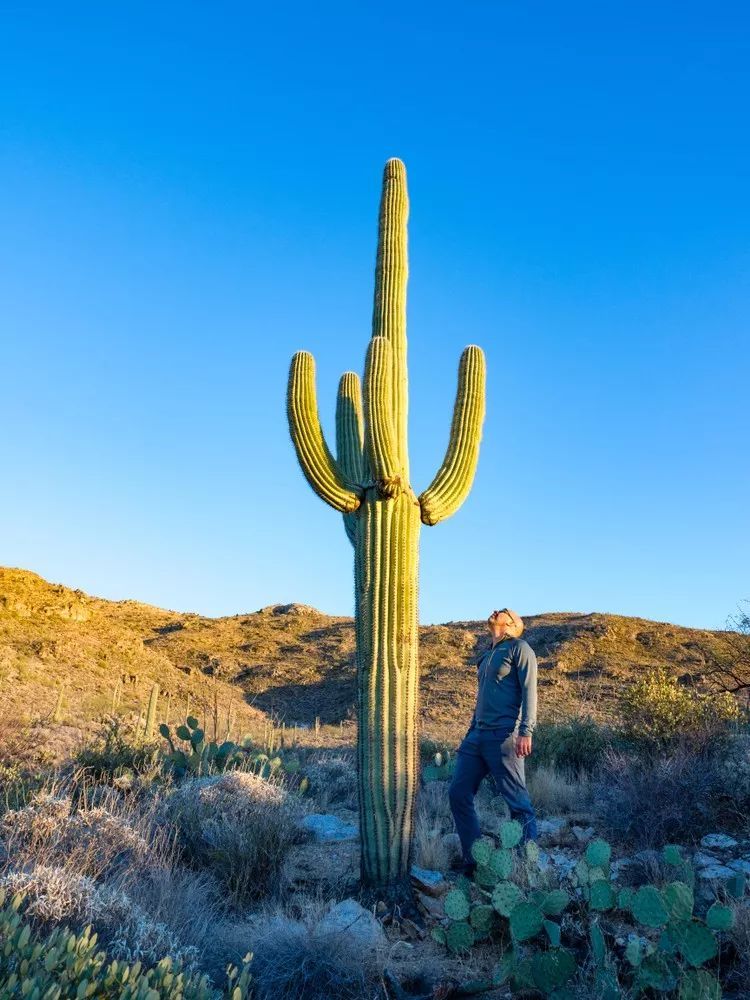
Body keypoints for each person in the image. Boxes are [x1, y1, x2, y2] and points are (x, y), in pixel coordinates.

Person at [448, 607, 538, 874]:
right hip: (477, 736)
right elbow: (481, 700)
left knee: (518, 803)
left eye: (503, 611)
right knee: (458, 793)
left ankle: (527, 868)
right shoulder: (488, 655)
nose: (495, 610)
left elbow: (530, 691)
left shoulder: (519, 649)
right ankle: (474, 862)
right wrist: (469, 733)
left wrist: (526, 731)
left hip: (504, 736)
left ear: (511, 623)